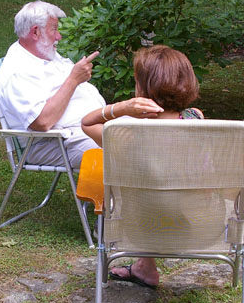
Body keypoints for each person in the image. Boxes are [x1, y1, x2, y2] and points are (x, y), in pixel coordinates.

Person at [80, 45, 204, 288]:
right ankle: (144, 268)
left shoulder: (124, 132)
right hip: (199, 223)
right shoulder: (196, 118)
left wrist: (122, 108)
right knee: (165, 192)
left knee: (148, 196)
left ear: (142, 88)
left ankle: (144, 264)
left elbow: (86, 123)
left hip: (140, 226)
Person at [0, 0, 105, 169]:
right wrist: (74, 79)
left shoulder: (45, 54)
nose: (59, 36)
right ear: (35, 32)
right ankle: (117, 195)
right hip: (54, 142)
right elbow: (42, 122)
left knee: (141, 131)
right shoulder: (17, 71)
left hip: (85, 129)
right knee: (115, 152)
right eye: (54, 28)